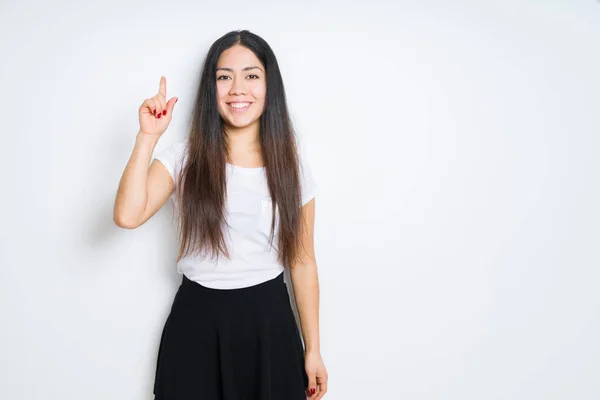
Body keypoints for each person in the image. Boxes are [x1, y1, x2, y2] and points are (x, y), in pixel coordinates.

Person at [113, 30, 328, 400]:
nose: (237, 89)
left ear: (269, 85)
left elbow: (303, 262)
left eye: (251, 75)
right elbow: (128, 215)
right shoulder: (185, 157)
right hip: (197, 324)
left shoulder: (292, 168)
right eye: (224, 76)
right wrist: (147, 137)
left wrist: (313, 349)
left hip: (269, 324)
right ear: (210, 87)